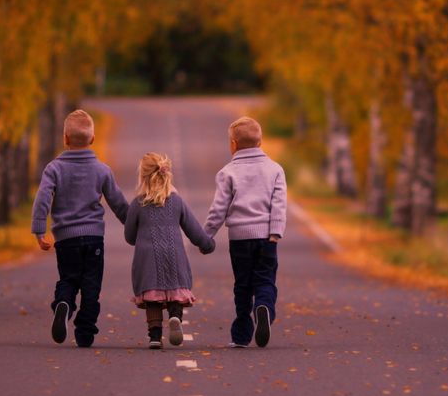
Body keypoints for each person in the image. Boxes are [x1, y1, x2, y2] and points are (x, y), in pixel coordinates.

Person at [31, 109, 128, 348]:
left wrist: (39, 230)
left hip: (65, 239)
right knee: (91, 286)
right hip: (94, 238)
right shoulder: (102, 170)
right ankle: (85, 333)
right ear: (92, 139)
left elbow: (43, 198)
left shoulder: (53, 168)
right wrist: (133, 226)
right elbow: (118, 202)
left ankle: (63, 303)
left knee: (69, 278)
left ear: (65, 138)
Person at [204, 116, 287, 348]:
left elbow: (218, 209)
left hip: (239, 239)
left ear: (233, 144)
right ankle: (264, 309)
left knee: (242, 284)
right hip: (266, 238)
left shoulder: (227, 172)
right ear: (260, 143)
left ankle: (241, 334)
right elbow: (279, 204)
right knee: (265, 280)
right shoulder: (275, 170)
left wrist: (206, 236)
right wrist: (275, 233)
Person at [125, 153, 215, 349]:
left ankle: (155, 336)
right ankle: (175, 317)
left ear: (143, 177)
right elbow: (193, 229)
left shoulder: (138, 203)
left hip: (147, 258)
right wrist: (207, 244)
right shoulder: (176, 201)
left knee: (153, 299)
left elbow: (129, 236)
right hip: (174, 255)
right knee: (174, 293)